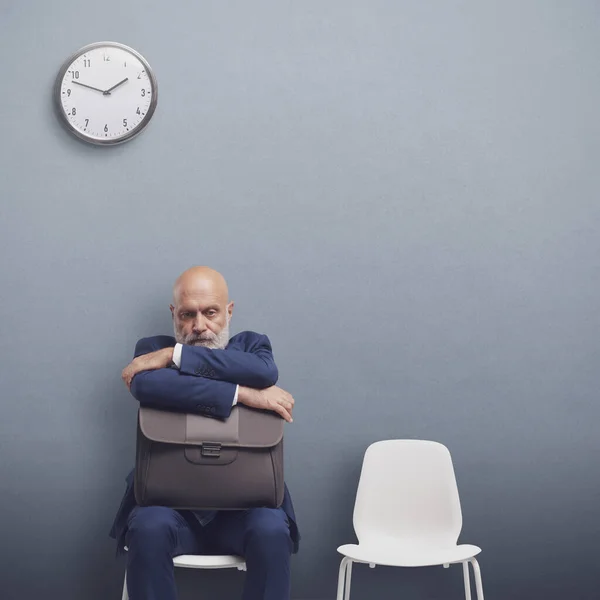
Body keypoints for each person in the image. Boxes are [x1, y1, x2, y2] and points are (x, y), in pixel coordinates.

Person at [109, 266, 299, 600]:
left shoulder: (252, 347)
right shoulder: (150, 347)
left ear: (229, 311)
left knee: (271, 528)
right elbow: (146, 383)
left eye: (210, 312)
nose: (199, 326)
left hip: (246, 509)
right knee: (147, 527)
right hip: (168, 508)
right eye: (187, 315)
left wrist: (176, 356)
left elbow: (265, 371)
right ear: (173, 314)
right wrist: (244, 394)